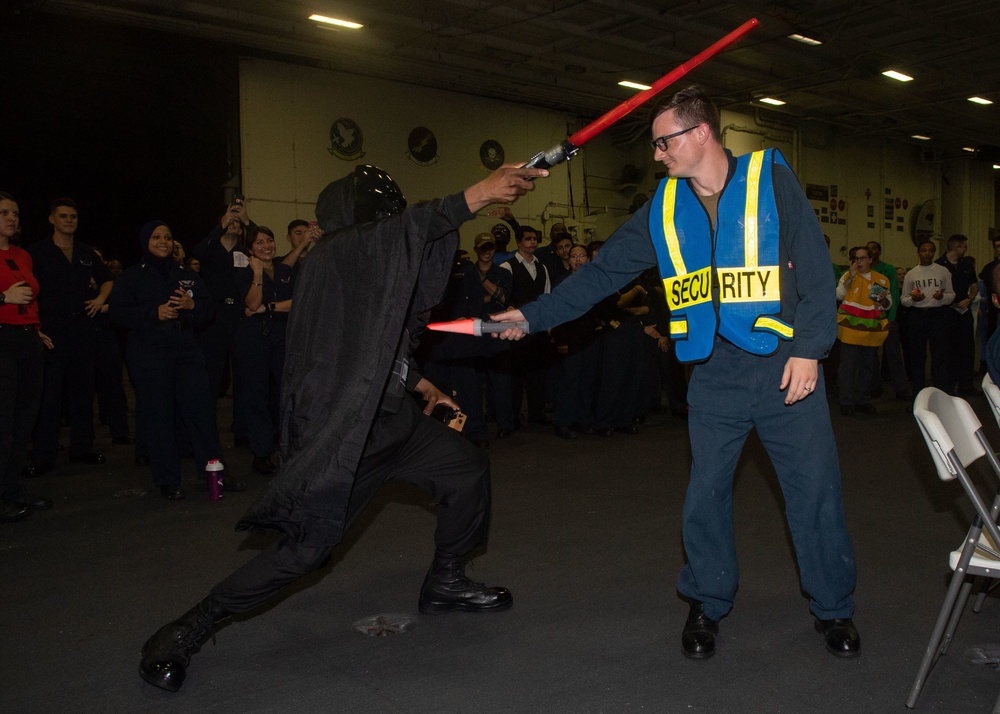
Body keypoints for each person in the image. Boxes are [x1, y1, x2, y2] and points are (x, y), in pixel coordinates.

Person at [137, 162, 546, 692]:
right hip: (347, 433)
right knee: (304, 552)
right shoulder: (336, 254)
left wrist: (425, 388)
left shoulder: (368, 266)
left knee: (465, 468)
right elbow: (404, 235)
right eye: (388, 218)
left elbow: (386, 339)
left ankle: (446, 581)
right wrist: (477, 195)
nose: (395, 226)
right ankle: (185, 630)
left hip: (393, 418)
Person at [493, 85, 859, 659]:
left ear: (700, 133)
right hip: (712, 376)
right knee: (705, 496)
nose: (658, 155)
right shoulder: (662, 208)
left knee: (815, 493)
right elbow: (601, 275)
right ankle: (707, 603)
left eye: (665, 142)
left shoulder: (771, 180)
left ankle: (833, 608)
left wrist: (811, 350)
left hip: (785, 371)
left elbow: (814, 266)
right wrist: (532, 316)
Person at [108, 221, 245, 500]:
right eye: (157, 237)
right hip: (149, 350)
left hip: (186, 349)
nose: (163, 241)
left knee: (201, 412)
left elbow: (208, 309)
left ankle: (214, 472)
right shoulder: (132, 276)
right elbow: (117, 313)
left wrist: (192, 306)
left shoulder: (187, 274)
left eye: (168, 237)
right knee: (159, 415)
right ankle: (167, 479)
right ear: (146, 241)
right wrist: (152, 313)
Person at [25, 197, 112, 475]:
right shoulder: (36, 253)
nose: (69, 221)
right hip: (51, 331)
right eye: (63, 216)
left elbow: (109, 278)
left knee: (83, 392)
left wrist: (100, 299)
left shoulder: (86, 252)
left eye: (73, 216)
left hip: (83, 330)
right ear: (52, 219)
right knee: (49, 394)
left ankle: (82, 448)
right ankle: (43, 455)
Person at [0, 192, 53, 522]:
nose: (11, 218)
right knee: (2, 421)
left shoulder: (22, 255)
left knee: (23, 421)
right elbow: (11, 296)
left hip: (25, 338)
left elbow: (29, 300)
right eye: (4, 212)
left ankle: (13, 490)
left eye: (15, 213)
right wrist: (2, 296)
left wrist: (36, 328)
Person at [234, 226, 295, 475]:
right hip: (253, 340)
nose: (266, 245)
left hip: (282, 337)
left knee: (286, 392)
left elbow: (299, 301)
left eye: (269, 240)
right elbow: (251, 303)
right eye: (259, 243)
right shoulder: (243, 271)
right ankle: (261, 453)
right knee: (256, 396)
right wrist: (257, 273)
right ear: (250, 249)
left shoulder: (285, 270)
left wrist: (269, 307)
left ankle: (289, 448)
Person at [835, 246, 891, 415]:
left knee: (867, 367)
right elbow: (839, 295)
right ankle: (846, 402)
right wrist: (851, 277)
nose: (859, 262)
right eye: (856, 259)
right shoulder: (847, 276)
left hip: (871, 331)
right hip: (849, 330)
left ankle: (863, 401)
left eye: (863, 258)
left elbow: (887, 304)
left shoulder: (880, 280)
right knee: (848, 367)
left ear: (870, 260)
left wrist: (882, 301)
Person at [900, 240, 954, 392]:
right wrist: (912, 299)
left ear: (934, 252)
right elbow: (903, 300)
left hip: (938, 315)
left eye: (930, 250)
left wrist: (941, 298)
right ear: (918, 252)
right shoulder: (911, 274)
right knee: (917, 357)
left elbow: (951, 295)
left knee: (939, 355)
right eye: (924, 250)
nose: (927, 253)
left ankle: (940, 393)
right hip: (917, 315)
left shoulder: (943, 271)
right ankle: (918, 394)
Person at [936, 234, 979, 395]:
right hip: (946, 311)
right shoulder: (939, 265)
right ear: (956, 247)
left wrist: (969, 298)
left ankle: (966, 385)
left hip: (963, 308)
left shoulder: (967, 264)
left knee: (967, 348)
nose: (965, 249)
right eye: (964, 246)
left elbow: (974, 286)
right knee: (947, 349)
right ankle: (947, 386)